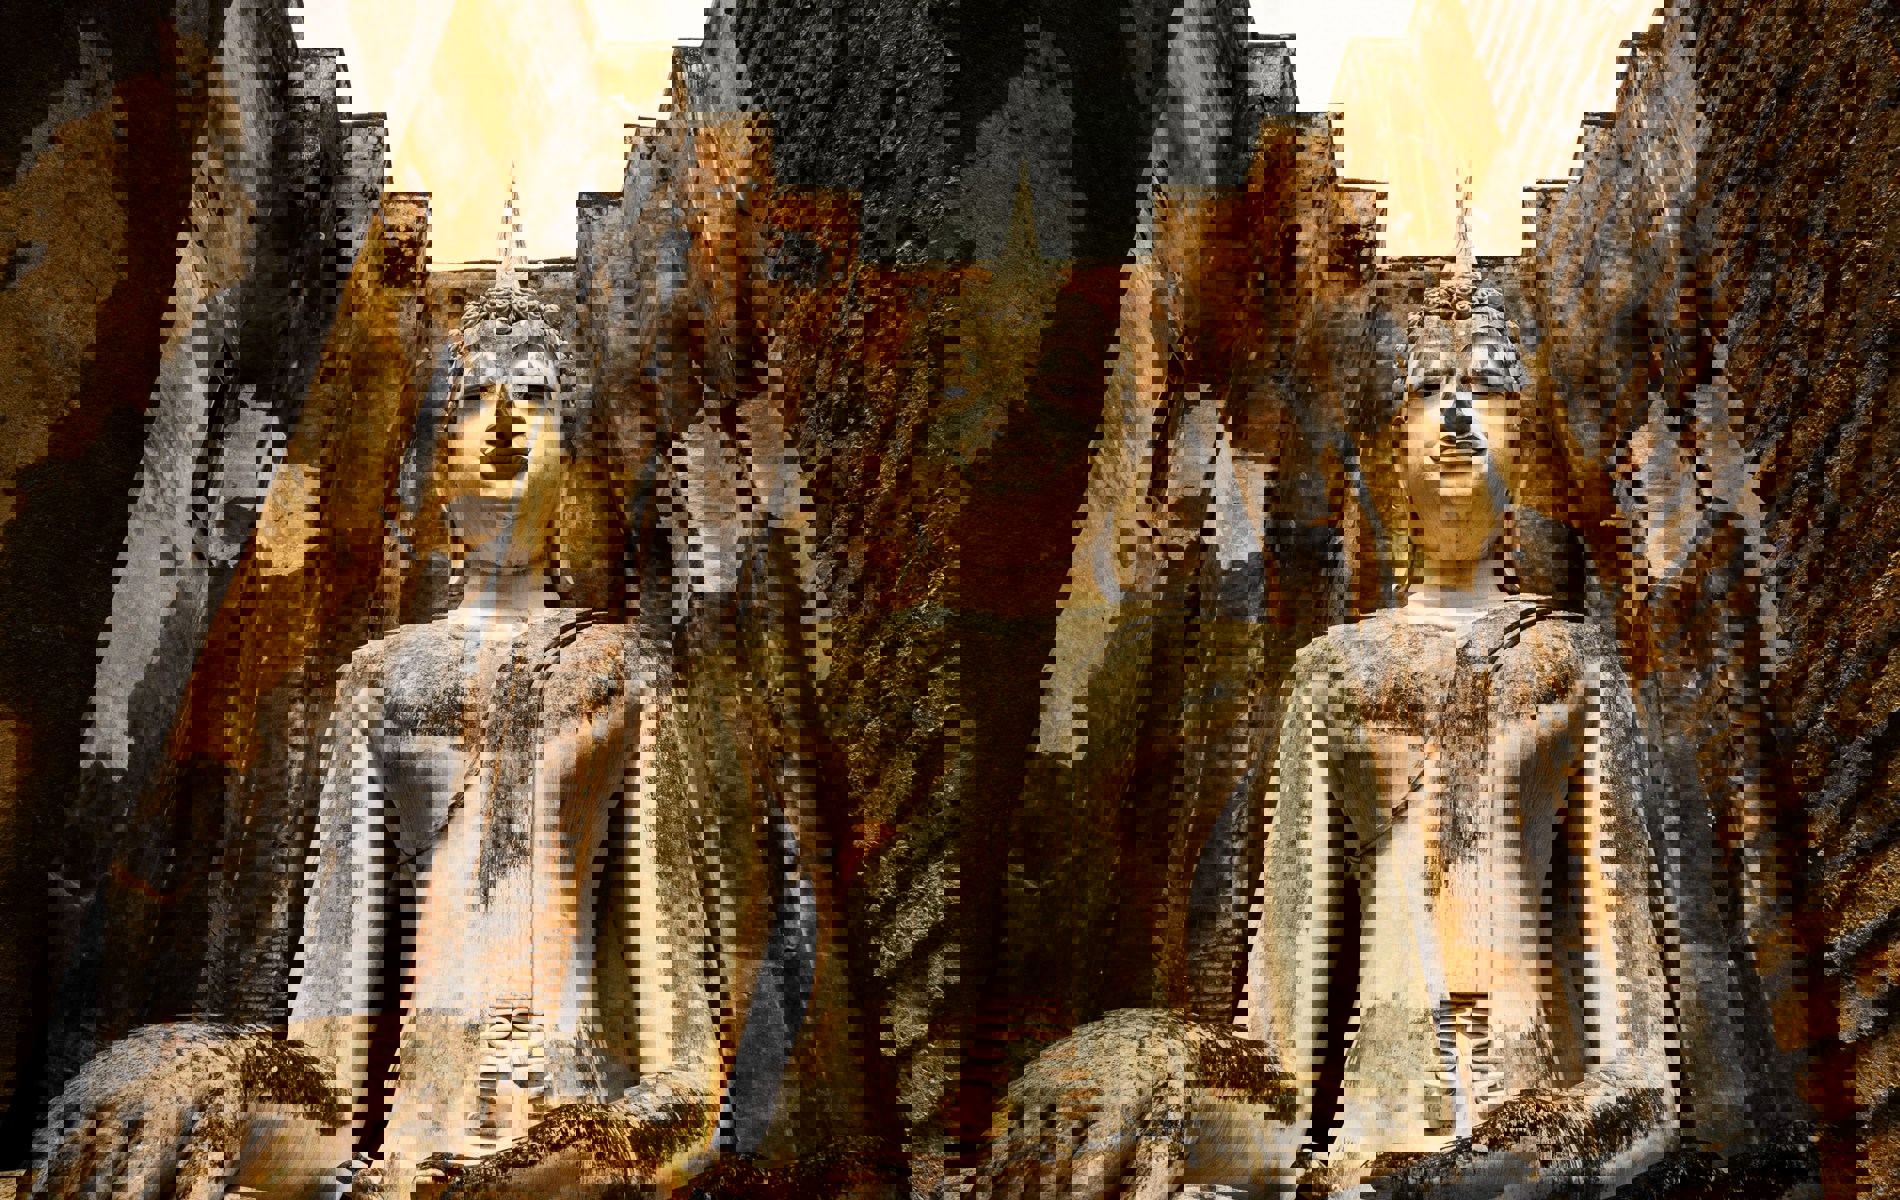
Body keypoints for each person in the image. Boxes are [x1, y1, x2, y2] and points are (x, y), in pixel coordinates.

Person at [1243, 208, 1675, 1191]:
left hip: (1532, 1106)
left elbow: (1627, 985)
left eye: (1484, 388)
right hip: (1379, 1112)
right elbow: (1287, 991)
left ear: (1524, 436)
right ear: (1389, 441)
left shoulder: (1569, 661)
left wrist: (1608, 1118)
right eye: (1429, 391)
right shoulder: (1337, 671)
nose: (1454, 417)